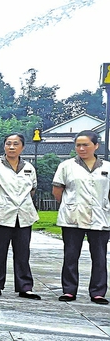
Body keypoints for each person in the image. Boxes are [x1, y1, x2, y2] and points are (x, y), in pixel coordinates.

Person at [0, 133, 41, 299]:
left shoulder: (29, 168)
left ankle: (25, 286)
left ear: (22, 147)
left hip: (24, 216)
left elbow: (32, 190)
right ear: (4, 146)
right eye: (8, 144)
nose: (11, 147)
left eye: (15, 144)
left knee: (23, 252)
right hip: (0, 215)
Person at [52, 130, 110, 304]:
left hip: (100, 216)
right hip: (72, 216)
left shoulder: (107, 167)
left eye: (86, 145)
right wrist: (70, 205)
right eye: (78, 145)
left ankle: (98, 292)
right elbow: (57, 191)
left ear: (96, 145)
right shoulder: (66, 166)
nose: (82, 148)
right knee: (70, 254)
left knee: (99, 255)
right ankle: (69, 290)